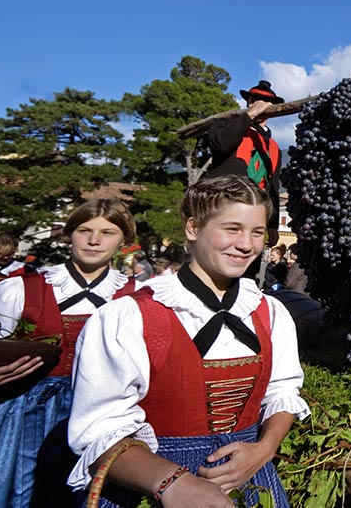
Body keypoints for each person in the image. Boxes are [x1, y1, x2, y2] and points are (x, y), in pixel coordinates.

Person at [67, 176, 309, 507]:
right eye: (232, 228)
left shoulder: (269, 311)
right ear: (193, 228)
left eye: (257, 232)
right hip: (151, 485)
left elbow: (282, 392)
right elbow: (98, 430)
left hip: (251, 480)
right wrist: (170, 482)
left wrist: (263, 449)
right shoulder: (129, 317)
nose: (246, 244)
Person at [0, 199, 138, 507]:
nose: (94, 241)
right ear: (69, 234)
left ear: (125, 241)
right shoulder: (19, 289)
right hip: (16, 416)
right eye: (84, 230)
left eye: (107, 232)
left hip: (100, 420)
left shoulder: (135, 298)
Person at [205, 80, 285, 249]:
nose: (258, 104)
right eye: (253, 99)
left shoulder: (274, 148)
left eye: (264, 102)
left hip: (254, 218)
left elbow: (273, 189)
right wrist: (250, 115)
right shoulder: (225, 125)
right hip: (223, 210)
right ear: (248, 102)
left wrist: (272, 224)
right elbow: (221, 144)